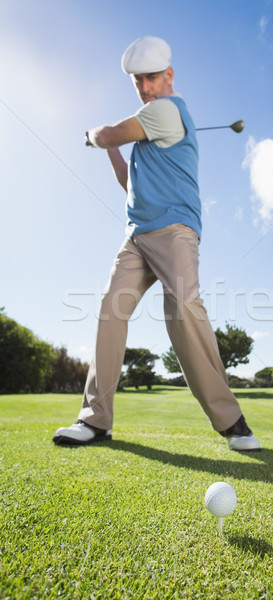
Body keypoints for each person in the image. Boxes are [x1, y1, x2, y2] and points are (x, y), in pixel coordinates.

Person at [53, 36, 260, 452]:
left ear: (168, 75)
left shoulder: (166, 110)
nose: (144, 87)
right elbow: (128, 184)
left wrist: (95, 136)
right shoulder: (149, 131)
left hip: (175, 232)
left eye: (150, 78)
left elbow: (110, 131)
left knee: (184, 310)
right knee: (111, 314)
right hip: (136, 236)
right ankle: (95, 420)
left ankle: (231, 420)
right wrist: (109, 151)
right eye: (136, 81)